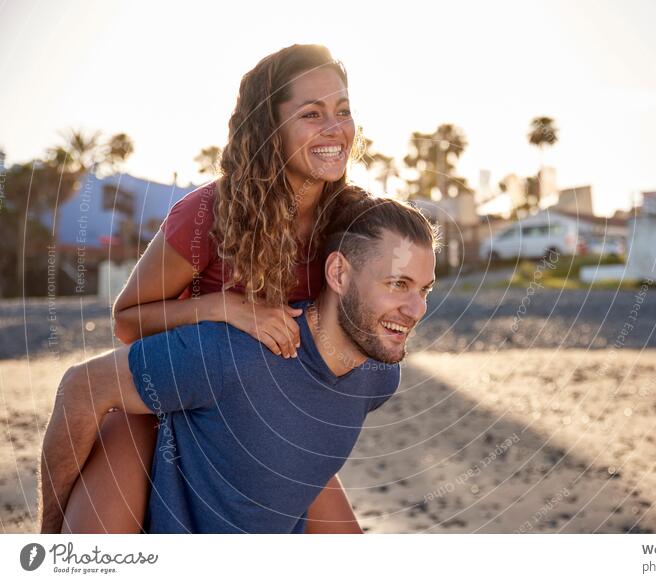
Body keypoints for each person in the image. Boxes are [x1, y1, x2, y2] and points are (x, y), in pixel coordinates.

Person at [43, 43, 370, 533]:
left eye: (342, 111)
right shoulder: (209, 214)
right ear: (269, 127)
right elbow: (128, 319)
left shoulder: (350, 222)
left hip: (261, 426)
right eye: (311, 113)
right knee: (83, 553)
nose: (334, 128)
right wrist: (225, 306)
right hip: (161, 404)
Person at [40, 197, 438, 533]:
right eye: (397, 284)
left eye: (424, 290)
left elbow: (294, 446)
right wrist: (47, 539)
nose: (416, 309)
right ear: (338, 273)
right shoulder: (235, 353)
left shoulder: (380, 375)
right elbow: (81, 387)